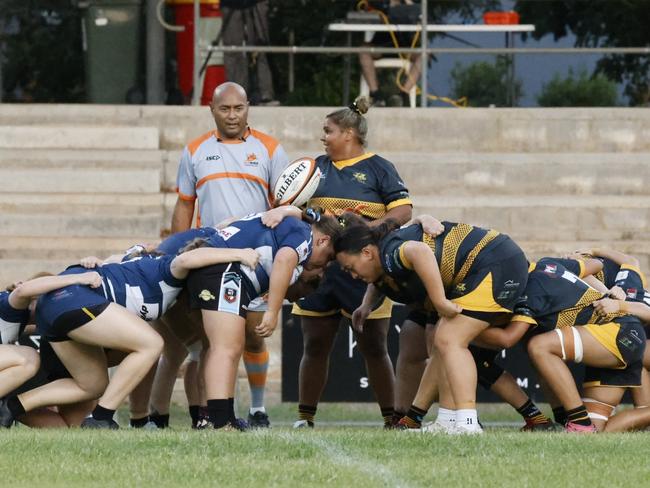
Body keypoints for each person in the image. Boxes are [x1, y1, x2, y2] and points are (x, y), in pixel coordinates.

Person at [0, 245, 260, 429]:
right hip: (71, 302)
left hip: (60, 315)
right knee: (151, 344)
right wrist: (240, 253)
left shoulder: (153, 286)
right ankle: (102, 417)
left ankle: (14, 406)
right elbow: (185, 258)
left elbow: (120, 258)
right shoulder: (167, 268)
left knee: (93, 384)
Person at [335, 216, 529, 434]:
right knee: (442, 341)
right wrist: (367, 305)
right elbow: (379, 279)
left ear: (367, 253)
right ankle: (447, 420)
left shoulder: (389, 253)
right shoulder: (383, 258)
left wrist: (439, 301)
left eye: (350, 268)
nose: (352, 275)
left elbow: (420, 252)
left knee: (449, 339)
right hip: (495, 259)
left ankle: (467, 423)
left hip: (496, 263)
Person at [171, 81, 290, 428]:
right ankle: (214, 413)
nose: (233, 115)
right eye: (225, 109)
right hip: (213, 256)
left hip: (256, 257)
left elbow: (284, 204)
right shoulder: (195, 150)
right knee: (218, 340)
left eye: (239, 108)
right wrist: (178, 248)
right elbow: (184, 204)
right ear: (212, 110)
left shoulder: (269, 148)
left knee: (253, 334)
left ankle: (256, 407)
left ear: (248, 107)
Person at [185, 210, 342, 430]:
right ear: (323, 240)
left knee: (232, 346)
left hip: (221, 269)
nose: (324, 265)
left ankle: (224, 416)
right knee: (225, 348)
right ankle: (218, 420)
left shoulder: (293, 225)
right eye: (329, 256)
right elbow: (284, 259)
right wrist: (272, 311)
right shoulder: (304, 234)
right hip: (223, 271)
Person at [359, 0, 423, 107]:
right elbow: (366, 11)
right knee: (363, 50)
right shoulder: (380, 4)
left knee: (424, 54)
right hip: (382, 45)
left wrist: (407, 3)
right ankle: (375, 95)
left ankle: (404, 94)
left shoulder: (412, 5)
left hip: (405, 48)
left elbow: (420, 13)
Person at [220, 0, 277, 105]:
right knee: (233, 49)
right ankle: (236, 94)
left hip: (257, 3)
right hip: (230, 4)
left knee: (261, 46)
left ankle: (265, 94)